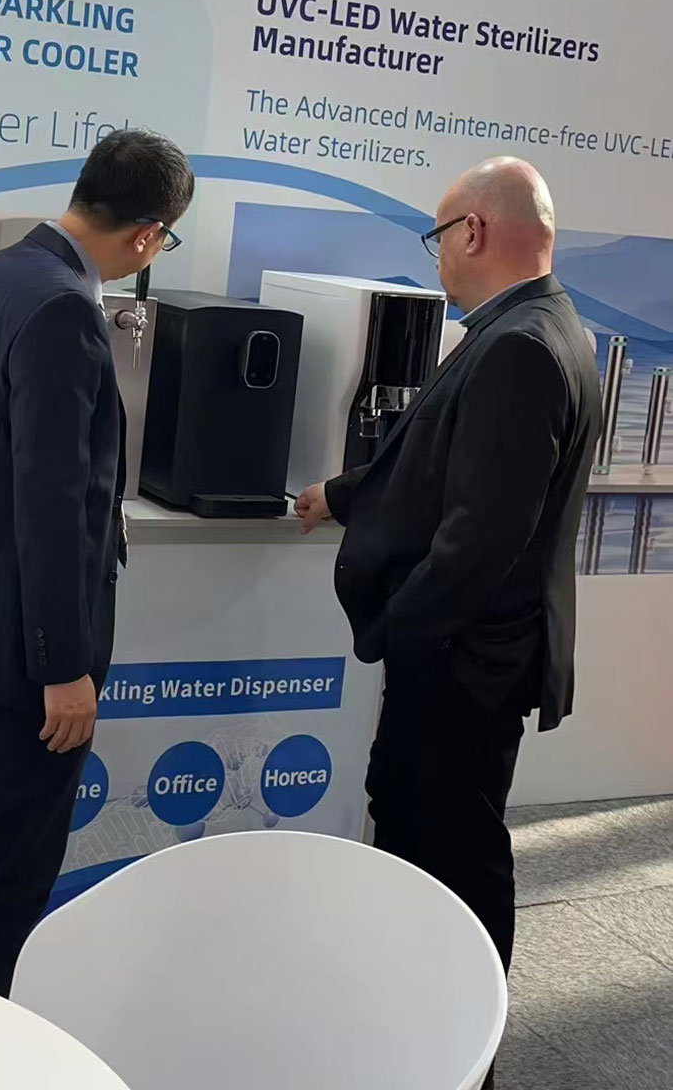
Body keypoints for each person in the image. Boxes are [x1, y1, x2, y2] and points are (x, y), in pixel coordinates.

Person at [0, 128, 195, 997]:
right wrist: (63, 667)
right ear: (148, 236)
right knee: (7, 866)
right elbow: (52, 504)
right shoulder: (64, 308)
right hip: (24, 645)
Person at [296, 157, 600, 1034]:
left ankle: (458, 1041)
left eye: (436, 237)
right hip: (473, 652)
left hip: (466, 662)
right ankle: (420, 1022)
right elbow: (442, 466)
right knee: (426, 832)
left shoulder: (517, 349)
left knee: (454, 854)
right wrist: (342, 495)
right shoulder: (542, 327)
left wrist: (399, 629)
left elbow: (478, 540)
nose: (435, 258)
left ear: (473, 230)